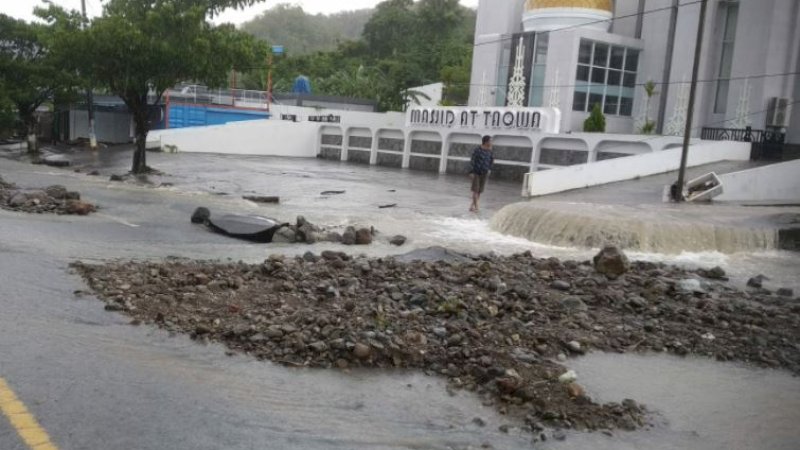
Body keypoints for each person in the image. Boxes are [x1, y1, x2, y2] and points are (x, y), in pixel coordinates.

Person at [469, 135, 494, 212]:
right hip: (476, 172)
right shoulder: (477, 150)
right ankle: (477, 207)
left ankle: (471, 206)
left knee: (479, 191)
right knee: (475, 190)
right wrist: (471, 172)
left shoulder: (490, 151)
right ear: (486, 142)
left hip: (484, 172)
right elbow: (472, 161)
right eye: (490, 141)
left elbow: (491, 161)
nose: (491, 142)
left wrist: (489, 169)